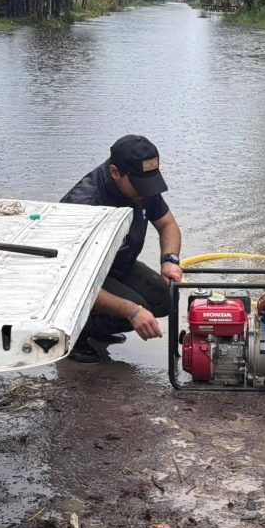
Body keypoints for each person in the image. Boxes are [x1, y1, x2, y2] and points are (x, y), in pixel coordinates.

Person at [61, 135, 183, 363]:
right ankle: (73, 336)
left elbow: (167, 225)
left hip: (116, 264)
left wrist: (170, 259)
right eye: (139, 185)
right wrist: (131, 311)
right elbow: (75, 285)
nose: (146, 192)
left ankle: (100, 328)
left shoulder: (142, 185)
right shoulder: (86, 205)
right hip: (72, 279)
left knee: (165, 297)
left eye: (150, 183)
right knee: (139, 309)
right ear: (115, 172)